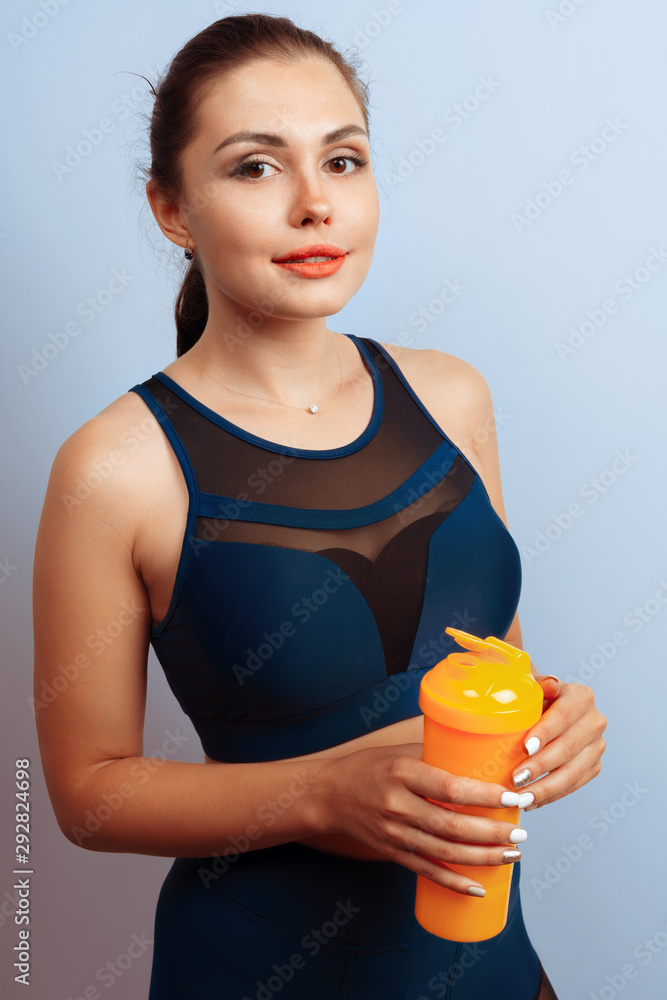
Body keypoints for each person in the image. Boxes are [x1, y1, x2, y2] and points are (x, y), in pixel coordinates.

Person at [32, 13, 606, 999]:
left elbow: (489, 662)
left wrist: (552, 716)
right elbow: (89, 795)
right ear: (172, 210)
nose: (314, 205)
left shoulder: (450, 394)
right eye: (256, 168)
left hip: (493, 964)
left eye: (343, 161)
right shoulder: (115, 466)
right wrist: (316, 793)